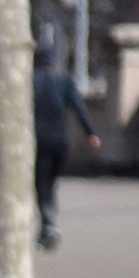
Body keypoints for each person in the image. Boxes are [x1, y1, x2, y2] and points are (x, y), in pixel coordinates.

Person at [33, 44, 101, 251]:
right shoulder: (64, 82)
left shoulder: (30, 82)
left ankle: (48, 224)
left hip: (39, 140)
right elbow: (79, 109)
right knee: (52, 182)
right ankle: (49, 223)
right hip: (60, 140)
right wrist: (91, 134)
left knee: (41, 183)